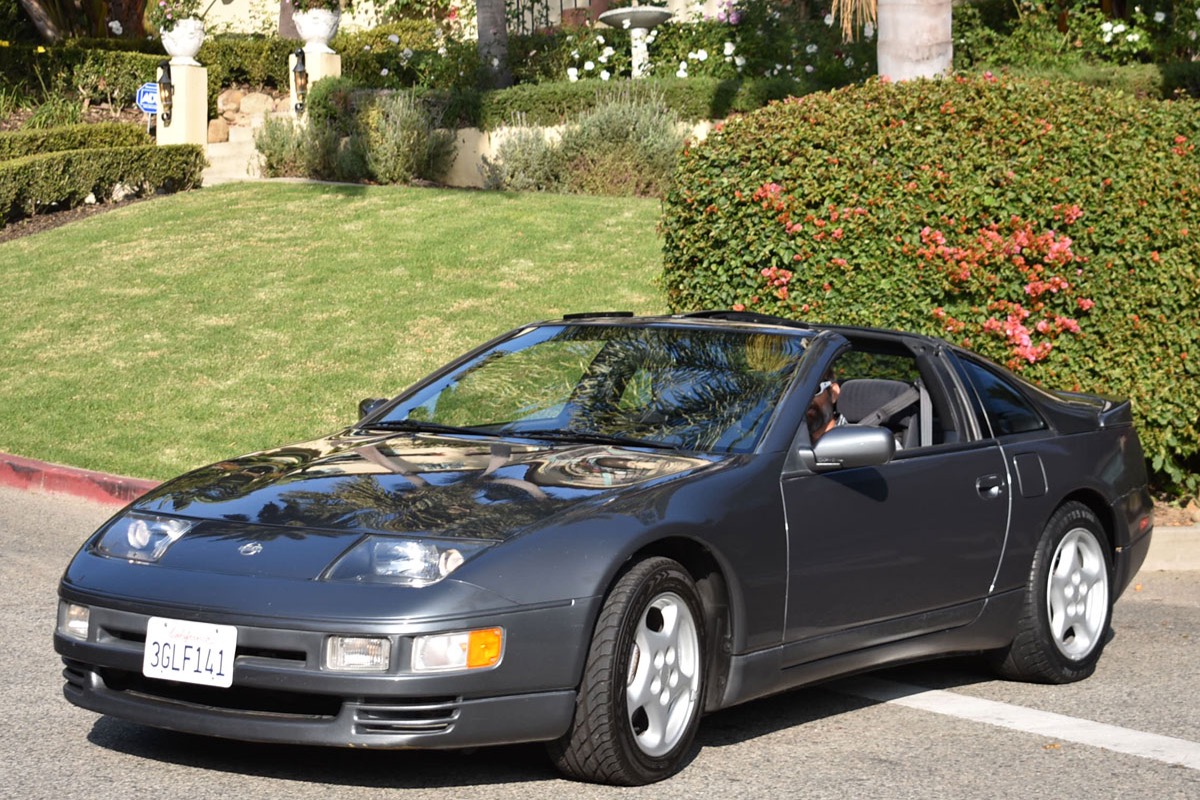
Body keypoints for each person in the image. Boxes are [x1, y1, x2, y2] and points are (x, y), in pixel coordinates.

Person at [806, 373, 843, 444]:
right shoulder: (788, 442)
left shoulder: (851, 440)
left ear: (833, 393)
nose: (806, 399)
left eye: (814, 389)